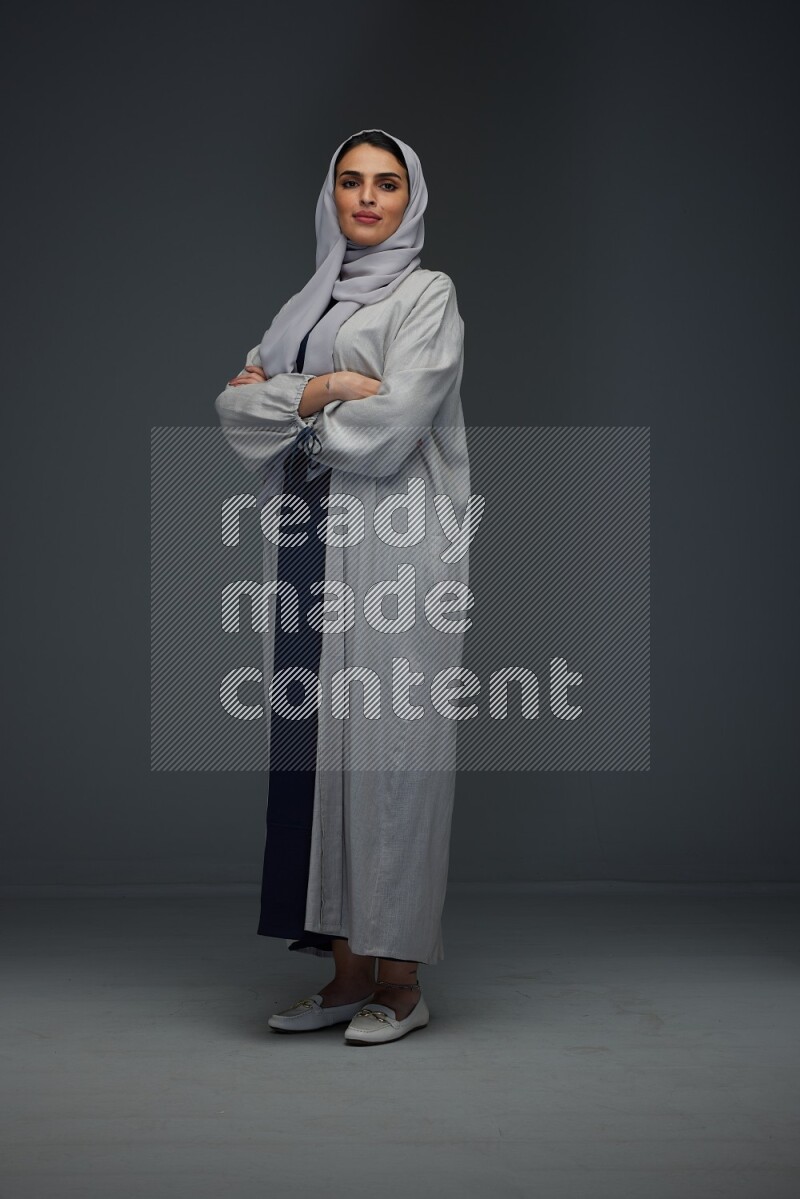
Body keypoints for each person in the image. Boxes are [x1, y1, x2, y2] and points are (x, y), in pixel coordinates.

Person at [215, 128, 470, 1045]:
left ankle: (399, 983)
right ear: (332, 197)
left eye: (388, 184)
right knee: (319, 749)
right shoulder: (307, 303)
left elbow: (399, 421)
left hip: (397, 546)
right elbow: (233, 411)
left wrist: (295, 405)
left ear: (412, 200)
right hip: (311, 535)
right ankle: (342, 974)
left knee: (390, 751)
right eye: (352, 182)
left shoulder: (427, 295)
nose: (369, 198)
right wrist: (325, 385)